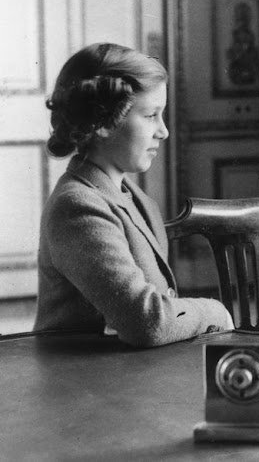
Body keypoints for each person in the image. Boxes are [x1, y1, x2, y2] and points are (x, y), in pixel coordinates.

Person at [34, 43, 233, 347]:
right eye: (151, 115)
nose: (163, 131)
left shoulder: (135, 198)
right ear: (103, 122)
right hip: (81, 385)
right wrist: (215, 311)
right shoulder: (76, 206)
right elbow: (147, 321)